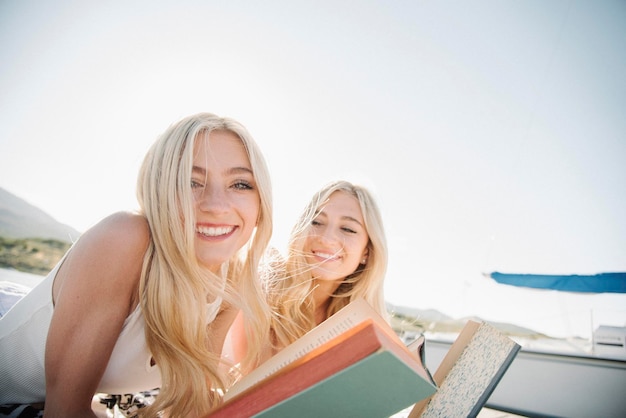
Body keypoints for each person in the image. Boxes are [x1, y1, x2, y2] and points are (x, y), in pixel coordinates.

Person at [0, 112, 273, 418]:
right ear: (159, 191)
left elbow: (194, 402)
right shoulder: (124, 238)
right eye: (190, 182)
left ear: (261, 203)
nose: (216, 205)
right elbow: (64, 411)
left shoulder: (231, 283)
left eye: (240, 184)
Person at [226, 180, 388, 370]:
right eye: (316, 222)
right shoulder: (260, 287)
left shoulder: (362, 324)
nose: (326, 239)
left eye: (347, 229)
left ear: (366, 252)